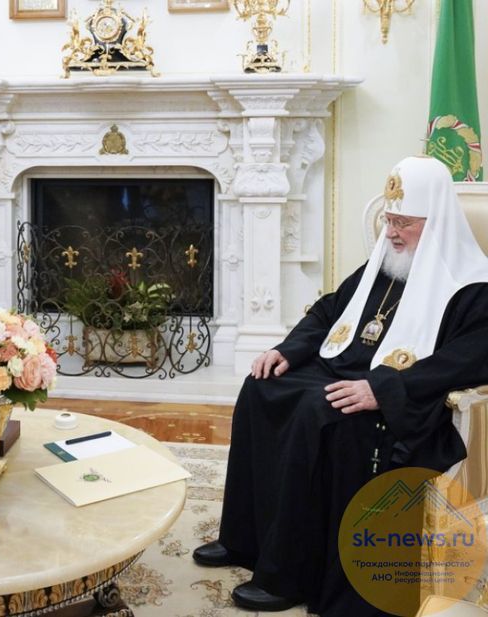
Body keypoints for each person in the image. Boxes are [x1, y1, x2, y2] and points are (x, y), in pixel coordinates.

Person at [192, 155, 488, 616]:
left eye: (404, 223)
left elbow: (464, 360)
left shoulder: (471, 286)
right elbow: (329, 310)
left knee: (319, 413)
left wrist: (383, 390)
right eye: (389, 219)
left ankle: (288, 576)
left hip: (400, 394)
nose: (392, 233)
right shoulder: (387, 262)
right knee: (260, 388)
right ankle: (244, 540)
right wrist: (288, 350)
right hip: (340, 370)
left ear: (436, 224)